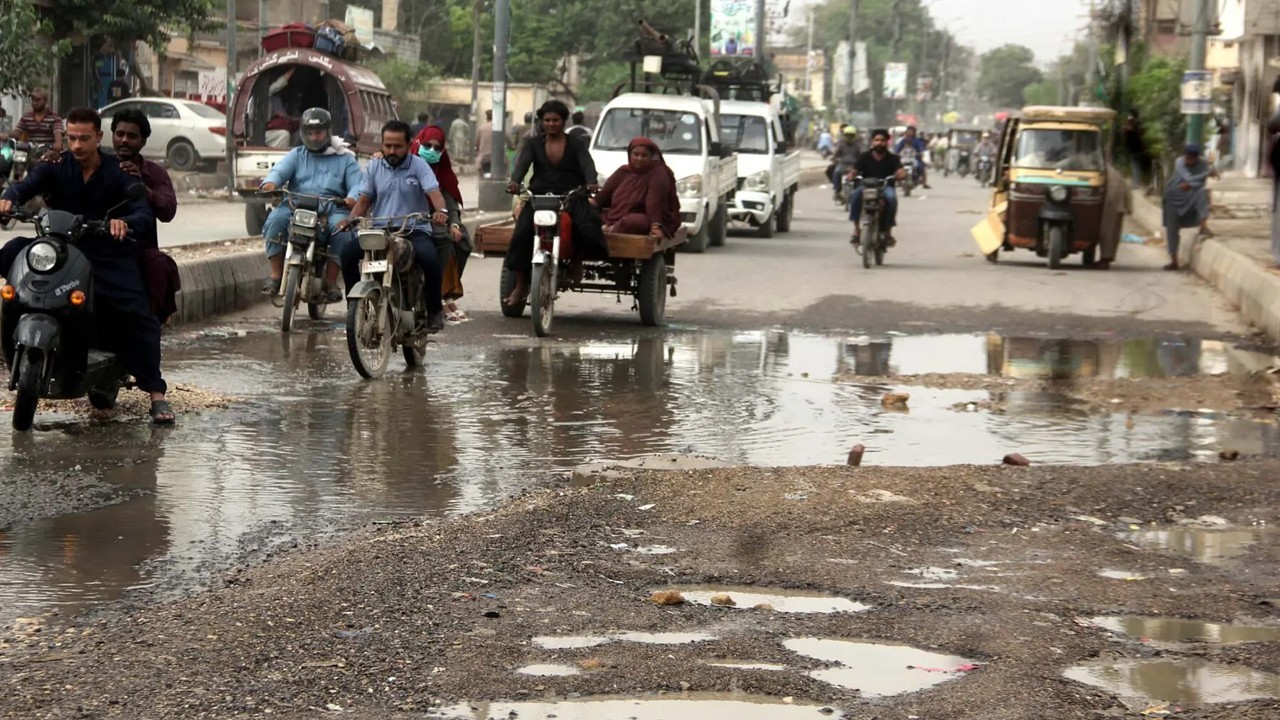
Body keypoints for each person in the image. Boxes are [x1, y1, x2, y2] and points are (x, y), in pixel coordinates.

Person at [0, 107, 173, 424]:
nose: (77, 145)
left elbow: (143, 214)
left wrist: (122, 223)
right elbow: (24, 186)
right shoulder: (54, 166)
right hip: (60, 249)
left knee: (136, 311)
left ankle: (156, 395)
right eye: (71, 138)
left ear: (98, 138)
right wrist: (9, 198)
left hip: (106, 253)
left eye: (84, 139)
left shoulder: (119, 172)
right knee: (12, 252)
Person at [338, 120, 451, 331]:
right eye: (387, 145)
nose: (392, 150)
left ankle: (434, 311)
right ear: (382, 144)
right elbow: (364, 200)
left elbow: (434, 193)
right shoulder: (373, 166)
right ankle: (355, 306)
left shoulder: (419, 166)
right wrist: (350, 219)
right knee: (347, 253)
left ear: (409, 145)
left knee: (430, 260)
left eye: (397, 146)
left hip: (414, 229)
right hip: (380, 229)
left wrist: (441, 212)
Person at [503, 99, 604, 306]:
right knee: (521, 233)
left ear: (564, 121)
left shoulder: (576, 143)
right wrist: (515, 181)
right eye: (547, 120)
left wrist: (591, 183)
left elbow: (587, 164)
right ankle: (521, 285)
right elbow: (522, 165)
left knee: (586, 225)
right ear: (542, 121)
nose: (551, 124)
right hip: (540, 195)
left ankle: (577, 261)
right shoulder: (533, 143)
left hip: (571, 194)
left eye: (555, 120)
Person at [258, 108, 362, 301]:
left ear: (328, 131)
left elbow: (358, 185)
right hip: (296, 205)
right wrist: (270, 183)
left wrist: (351, 198)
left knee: (343, 231)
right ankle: (275, 275)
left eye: (319, 132)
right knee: (275, 220)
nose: (314, 137)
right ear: (303, 133)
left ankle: (331, 282)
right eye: (310, 133)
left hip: (332, 209)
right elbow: (279, 171)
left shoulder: (345, 158)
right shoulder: (297, 154)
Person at [110, 108, 181, 323]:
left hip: (139, 247)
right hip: (101, 244)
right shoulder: (100, 166)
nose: (124, 141)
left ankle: (149, 322)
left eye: (132, 136)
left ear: (143, 142)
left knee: (159, 266)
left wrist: (144, 188)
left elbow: (168, 210)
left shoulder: (155, 173)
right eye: (119, 134)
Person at [410, 125, 471, 323]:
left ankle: (444, 294)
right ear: (418, 142)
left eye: (438, 148)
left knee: (460, 241)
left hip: (434, 217)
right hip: (405, 217)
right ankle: (439, 296)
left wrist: (453, 223)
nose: (432, 151)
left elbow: (448, 201)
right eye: (428, 145)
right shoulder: (404, 161)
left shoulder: (441, 169)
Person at [591, 137, 681, 237]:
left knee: (632, 221)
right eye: (636, 154)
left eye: (644, 155)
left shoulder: (658, 172)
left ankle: (611, 229)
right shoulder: (623, 171)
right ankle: (608, 227)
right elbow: (603, 196)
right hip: (613, 217)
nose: (639, 158)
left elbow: (654, 202)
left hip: (646, 217)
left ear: (651, 157)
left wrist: (655, 226)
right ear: (630, 155)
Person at [847, 128, 906, 245]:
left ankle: (888, 232)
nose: (879, 143)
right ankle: (856, 230)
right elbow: (855, 170)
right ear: (872, 142)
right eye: (876, 140)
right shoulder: (864, 156)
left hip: (885, 187)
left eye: (882, 140)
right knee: (855, 196)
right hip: (866, 186)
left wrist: (901, 174)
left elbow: (900, 170)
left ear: (887, 142)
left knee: (892, 199)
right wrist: (851, 175)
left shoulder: (893, 158)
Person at [1161, 144, 1214, 271]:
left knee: (1203, 193)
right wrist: (1208, 173)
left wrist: (1190, 185)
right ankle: (1174, 261)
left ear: (1197, 158)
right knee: (1172, 229)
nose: (1189, 161)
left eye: (1192, 159)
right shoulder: (1179, 162)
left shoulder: (1203, 163)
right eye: (1187, 158)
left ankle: (1203, 225)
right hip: (1174, 194)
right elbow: (1188, 177)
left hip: (1191, 192)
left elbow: (1199, 183)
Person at [16, 89, 64, 154]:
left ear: (45, 100)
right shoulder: (26, 117)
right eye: (33, 100)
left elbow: (59, 144)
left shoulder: (55, 118)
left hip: (48, 155)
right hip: (30, 155)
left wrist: (50, 146)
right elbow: (16, 133)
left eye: (38, 100)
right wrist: (4, 135)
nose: (34, 103)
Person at [831, 126, 862, 202]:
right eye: (847, 135)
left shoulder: (858, 144)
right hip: (843, 164)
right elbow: (836, 153)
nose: (849, 137)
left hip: (854, 165)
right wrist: (834, 158)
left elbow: (863, 152)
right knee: (836, 173)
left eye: (851, 135)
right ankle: (837, 191)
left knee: (860, 177)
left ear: (854, 136)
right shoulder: (841, 143)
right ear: (844, 135)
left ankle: (859, 192)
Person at [1123, 111, 1147, 190]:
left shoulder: (1131, 130)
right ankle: (1135, 183)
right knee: (1136, 167)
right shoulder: (1136, 128)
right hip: (1136, 150)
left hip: (1135, 150)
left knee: (1135, 167)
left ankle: (1135, 184)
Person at [476, 109, 494, 176]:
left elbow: (477, 143)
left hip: (484, 158)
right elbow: (509, 142)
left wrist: (478, 149)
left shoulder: (481, 128)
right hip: (497, 158)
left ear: (487, 117)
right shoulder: (501, 128)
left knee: (482, 175)